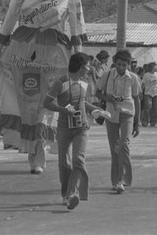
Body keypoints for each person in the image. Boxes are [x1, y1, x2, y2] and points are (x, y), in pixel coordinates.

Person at [0, 0, 87, 173]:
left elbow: (76, 28)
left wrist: (80, 60)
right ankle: (33, 152)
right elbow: (8, 21)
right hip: (22, 51)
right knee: (28, 105)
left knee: (50, 102)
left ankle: (41, 148)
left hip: (56, 53)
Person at [43, 52, 108, 209]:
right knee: (64, 163)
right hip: (64, 128)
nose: (89, 68)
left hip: (81, 128)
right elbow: (47, 103)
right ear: (80, 66)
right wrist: (64, 110)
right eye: (87, 65)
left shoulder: (84, 83)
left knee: (78, 159)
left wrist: (97, 110)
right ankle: (66, 194)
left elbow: (83, 102)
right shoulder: (60, 82)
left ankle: (72, 193)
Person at [95, 49, 141, 194]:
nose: (121, 68)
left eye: (124, 65)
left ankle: (124, 178)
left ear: (129, 65)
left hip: (127, 114)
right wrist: (108, 98)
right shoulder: (107, 75)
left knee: (123, 145)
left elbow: (137, 99)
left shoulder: (133, 78)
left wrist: (137, 121)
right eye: (119, 64)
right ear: (114, 63)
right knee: (114, 149)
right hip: (111, 115)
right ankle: (117, 181)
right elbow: (97, 92)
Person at [141, 62, 157, 127]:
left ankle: (153, 121)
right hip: (148, 93)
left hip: (156, 93)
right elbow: (143, 84)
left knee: (155, 107)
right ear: (152, 67)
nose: (156, 68)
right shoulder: (146, 75)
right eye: (155, 66)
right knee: (148, 106)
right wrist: (141, 92)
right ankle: (145, 121)